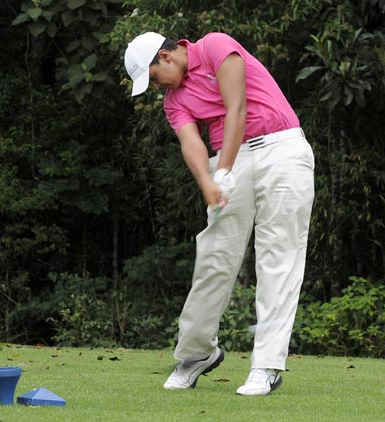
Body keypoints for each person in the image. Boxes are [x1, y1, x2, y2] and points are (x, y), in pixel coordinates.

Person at [124, 31, 315, 396]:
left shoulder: (213, 46)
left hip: (283, 149)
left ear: (165, 56)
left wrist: (223, 171)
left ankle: (266, 366)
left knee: (279, 258)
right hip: (233, 159)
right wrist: (208, 181)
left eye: (152, 77)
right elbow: (190, 141)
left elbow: (236, 106)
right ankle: (197, 355)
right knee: (214, 257)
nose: (154, 87)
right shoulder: (173, 99)